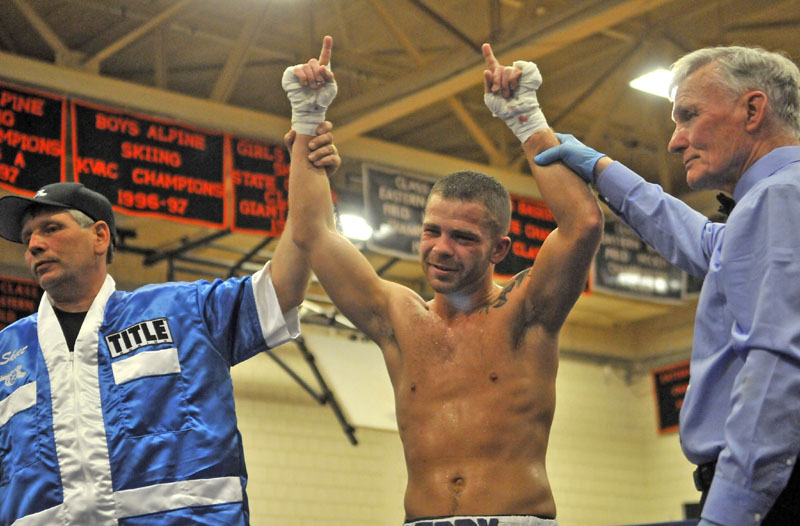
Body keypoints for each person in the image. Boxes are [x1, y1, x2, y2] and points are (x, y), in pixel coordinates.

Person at [282, 36, 603, 525]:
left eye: (463, 237)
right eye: (432, 231)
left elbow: (582, 225)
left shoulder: (527, 312)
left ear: (499, 250)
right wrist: (306, 122)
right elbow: (313, 232)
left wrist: (527, 121)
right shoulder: (398, 317)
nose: (442, 248)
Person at [0, 128, 341, 524]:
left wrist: (306, 164)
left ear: (99, 236)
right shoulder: (8, 352)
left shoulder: (183, 312)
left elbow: (285, 285)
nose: (34, 246)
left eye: (50, 229)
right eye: (27, 238)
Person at [534, 45, 800, 526]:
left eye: (689, 116)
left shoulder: (780, 199)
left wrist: (729, 514)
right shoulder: (773, 199)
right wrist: (601, 169)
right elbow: (704, 243)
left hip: (770, 492)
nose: (675, 142)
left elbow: (780, 367)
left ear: (754, 110)